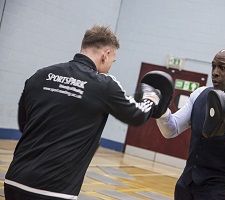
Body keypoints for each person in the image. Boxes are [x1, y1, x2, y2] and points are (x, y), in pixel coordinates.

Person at [4, 25, 161, 200]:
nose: (110, 66)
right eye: (112, 61)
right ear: (105, 55)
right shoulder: (103, 84)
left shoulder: (40, 75)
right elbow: (137, 115)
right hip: (54, 190)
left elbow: (24, 124)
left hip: (14, 180)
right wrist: (151, 98)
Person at [156, 47, 225, 200]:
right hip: (186, 182)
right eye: (213, 66)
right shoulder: (200, 94)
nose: (215, 72)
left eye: (222, 67)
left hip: (218, 188)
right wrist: (161, 110)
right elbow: (171, 130)